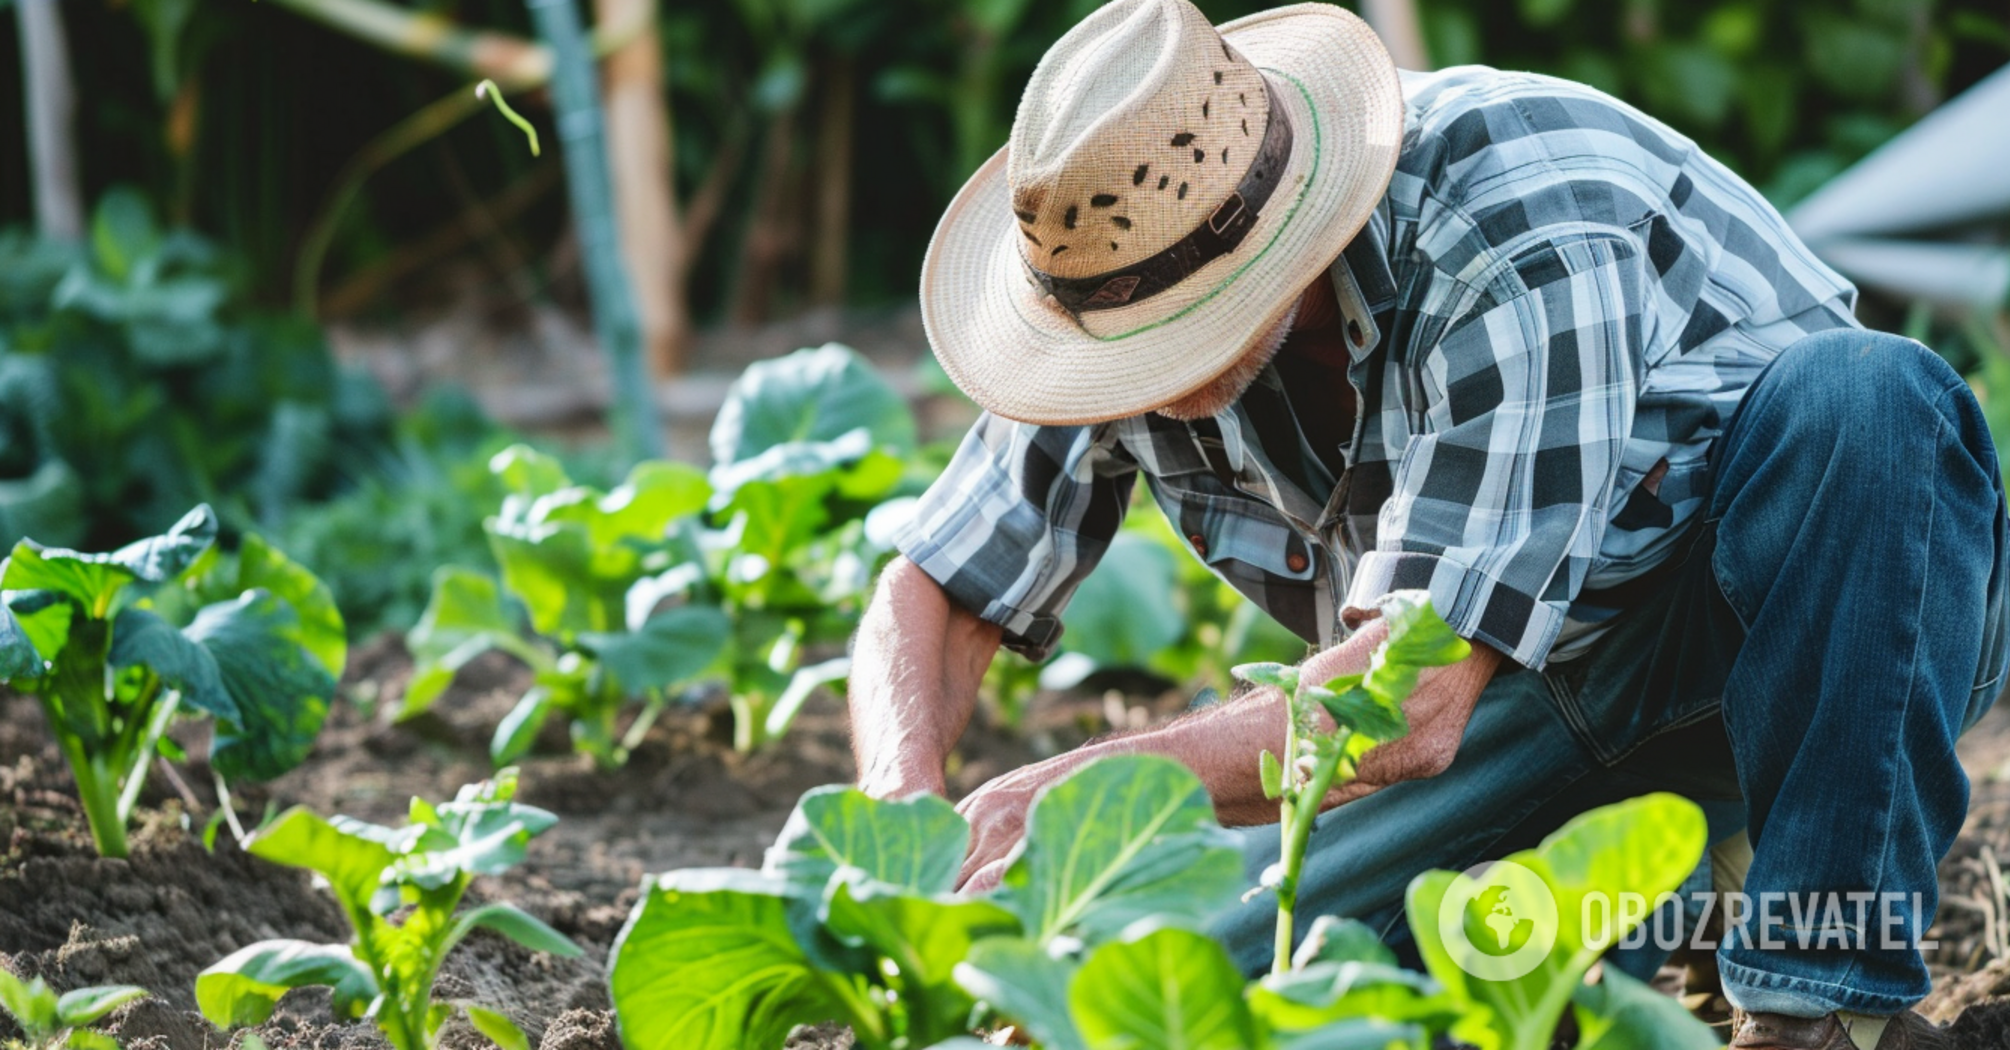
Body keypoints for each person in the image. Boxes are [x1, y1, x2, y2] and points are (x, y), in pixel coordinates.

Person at [846, 1, 2010, 1047]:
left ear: (1284, 226)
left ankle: (1822, 999)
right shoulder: (1110, 280)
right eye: (1132, 348)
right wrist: (907, 813)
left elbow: (1410, 701)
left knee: (1864, 397)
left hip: (1801, 638)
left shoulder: (1513, 214)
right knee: (1174, 992)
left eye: (1189, 328)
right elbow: (933, 591)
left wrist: (1067, 788)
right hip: (1526, 706)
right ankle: (1674, 893)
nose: (1153, 373)